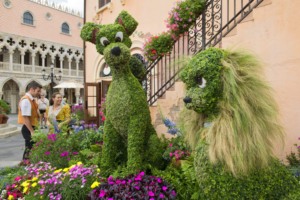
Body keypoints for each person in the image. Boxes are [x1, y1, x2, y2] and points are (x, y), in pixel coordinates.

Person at [18, 81, 42, 160]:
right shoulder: (26, 100)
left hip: (31, 127)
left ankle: (27, 164)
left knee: (32, 147)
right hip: (28, 128)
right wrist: (32, 131)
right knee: (29, 148)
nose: (39, 93)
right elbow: (25, 118)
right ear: (32, 89)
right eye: (38, 91)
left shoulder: (32, 100)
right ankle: (26, 164)